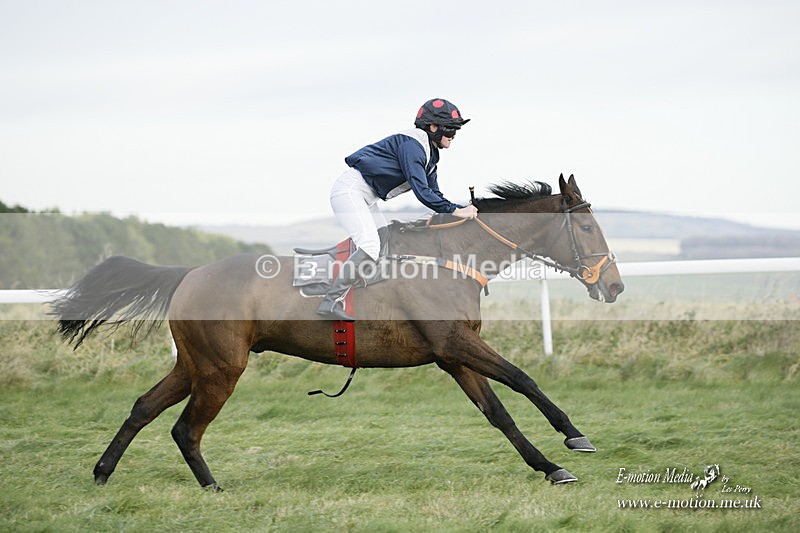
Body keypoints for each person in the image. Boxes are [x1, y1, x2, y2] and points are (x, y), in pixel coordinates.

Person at [317, 98, 478, 320]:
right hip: (350, 191)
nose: (453, 135)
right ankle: (331, 301)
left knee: (384, 237)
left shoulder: (430, 154)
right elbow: (422, 192)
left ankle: (367, 290)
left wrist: (460, 209)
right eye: (450, 129)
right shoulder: (413, 146)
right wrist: (455, 210)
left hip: (366, 197)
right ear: (433, 127)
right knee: (370, 245)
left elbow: (435, 194)